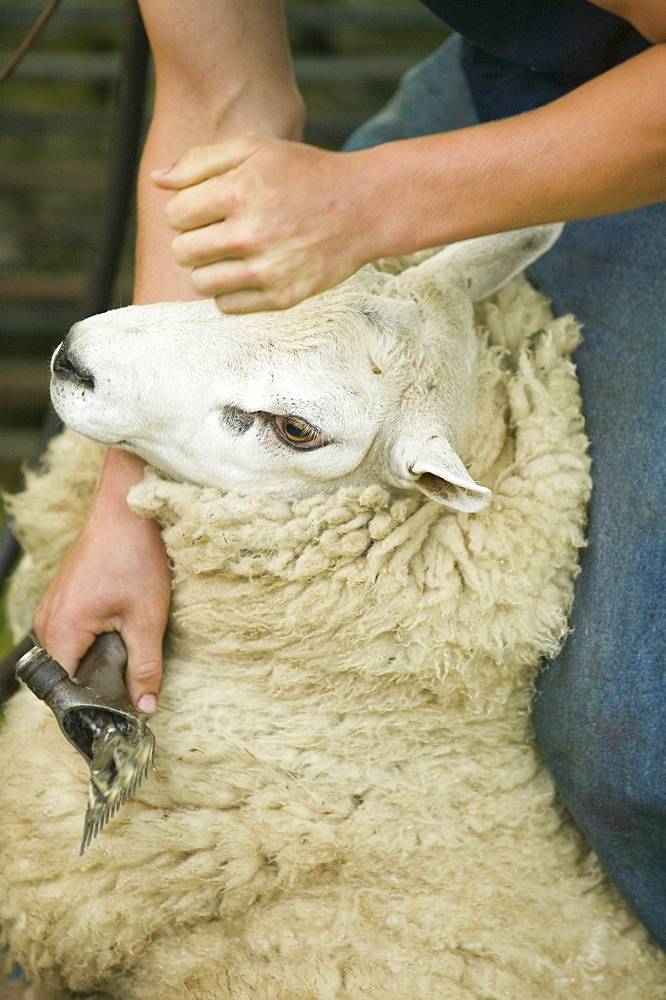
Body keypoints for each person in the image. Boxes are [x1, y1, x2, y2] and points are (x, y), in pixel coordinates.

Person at [32, 0, 665, 945]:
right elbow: (220, 103)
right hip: (523, 72)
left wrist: (373, 200)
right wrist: (127, 500)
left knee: (633, 741)